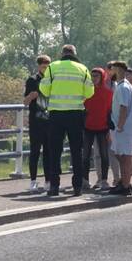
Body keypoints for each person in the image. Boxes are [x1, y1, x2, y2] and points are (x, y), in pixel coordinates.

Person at [39, 45, 95, 197]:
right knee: (76, 151)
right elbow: (90, 92)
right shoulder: (82, 69)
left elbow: (44, 90)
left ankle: (54, 186)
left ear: (62, 54)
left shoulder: (52, 67)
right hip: (76, 114)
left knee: (54, 151)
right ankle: (77, 186)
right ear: (74, 54)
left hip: (56, 114)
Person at [23, 55, 52, 193]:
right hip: (36, 121)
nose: (45, 68)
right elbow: (25, 101)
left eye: (47, 66)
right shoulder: (32, 80)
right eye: (43, 66)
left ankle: (48, 180)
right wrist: (31, 96)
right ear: (38, 66)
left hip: (49, 121)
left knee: (48, 152)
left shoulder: (52, 80)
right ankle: (33, 180)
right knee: (34, 151)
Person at [107, 61, 132, 195]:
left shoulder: (123, 87)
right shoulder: (121, 86)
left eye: (112, 69)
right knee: (120, 154)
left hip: (123, 128)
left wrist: (119, 126)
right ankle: (124, 182)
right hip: (121, 128)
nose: (110, 72)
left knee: (125, 156)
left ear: (118, 70)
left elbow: (124, 107)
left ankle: (126, 185)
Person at [82, 67, 113, 192]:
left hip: (103, 127)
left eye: (96, 76)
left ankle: (104, 180)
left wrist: (110, 129)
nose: (94, 78)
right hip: (88, 126)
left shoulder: (109, 93)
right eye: (92, 75)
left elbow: (110, 112)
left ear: (102, 77)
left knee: (104, 155)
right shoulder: (86, 92)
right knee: (86, 155)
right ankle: (85, 180)